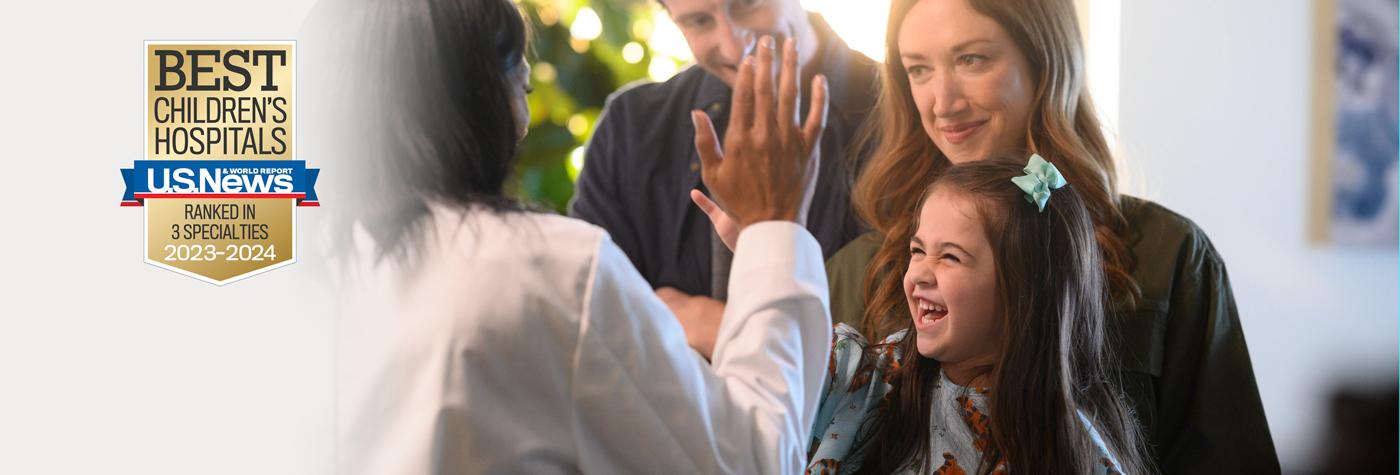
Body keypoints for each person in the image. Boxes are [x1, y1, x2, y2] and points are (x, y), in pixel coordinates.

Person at [688, 0, 1280, 471]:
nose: (942, 102)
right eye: (918, 69)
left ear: (1044, 62)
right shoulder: (861, 268)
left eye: (971, 59)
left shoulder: (1169, 257)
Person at [312, 0, 834, 472]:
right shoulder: (548, 269)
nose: (733, 41)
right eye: (521, 73)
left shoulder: (310, 261)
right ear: (494, 99)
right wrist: (774, 224)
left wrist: (709, 323)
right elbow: (756, 460)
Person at [569, 0, 880, 358]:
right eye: (700, 21)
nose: (735, 47)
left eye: (747, 4)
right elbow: (588, 316)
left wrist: (700, 321)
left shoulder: (906, 111)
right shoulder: (632, 126)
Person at [807, 156, 1150, 474]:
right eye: (918, 250)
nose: (920, 274)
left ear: (1024, 289)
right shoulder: (871, 380)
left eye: (951, 257)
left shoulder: (1076, 451)